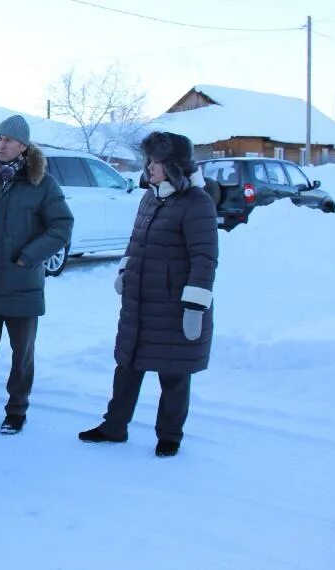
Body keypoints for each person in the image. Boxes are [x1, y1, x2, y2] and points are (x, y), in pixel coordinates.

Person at [79, 132, 218, 458]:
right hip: (140, 301)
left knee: (174, 373)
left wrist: (195, 306)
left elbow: (204, 257)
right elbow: (136, 240)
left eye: (156, 162)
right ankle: (114, 427)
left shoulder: (197, 203)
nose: (149, 168)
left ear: (175, 167)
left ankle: (169, 436)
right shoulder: (151, 197)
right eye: (149, 161)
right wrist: (125, 270)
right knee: (126, 366)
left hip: (174, 305)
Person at [0, 115, 74, 434]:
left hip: (23, 286)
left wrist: (30, 256)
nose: (1, 144)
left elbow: (62, 226)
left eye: (8, 139)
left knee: (22, 355)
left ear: (23, 146)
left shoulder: (42, 182)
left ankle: (16, 410)